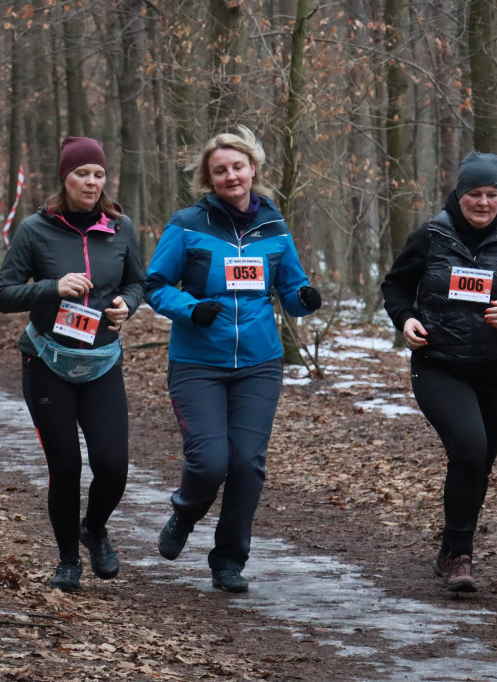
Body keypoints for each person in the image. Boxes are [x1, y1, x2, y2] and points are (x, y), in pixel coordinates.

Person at [144, 125, 322, 593]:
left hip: (259, 363)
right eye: (220, 170)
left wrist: (305, 297)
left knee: (247, 463)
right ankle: (185, 512)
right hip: (198, 361)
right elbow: (155, 285)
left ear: (253, 169)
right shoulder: (187, 224)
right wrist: (191, 308)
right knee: (209, 462)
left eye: (237, 167)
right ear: (209, 177)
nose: (230, 176)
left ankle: (228, 560)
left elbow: (291, 288)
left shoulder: (274, 225)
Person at [380, 151, 497, 593]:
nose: (483, 202)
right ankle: (461, 556)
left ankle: (448, 551)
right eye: (474, 194)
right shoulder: (431, 236)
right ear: (459, 195)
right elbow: (396, 286)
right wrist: (405, 319)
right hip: (439, 366)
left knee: (477, 464)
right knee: (469, 448)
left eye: (491, 194)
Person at [0, 136, 145, 593]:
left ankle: (93, 529)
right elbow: (3, 294)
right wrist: (51, 288)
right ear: (66, 177)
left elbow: (141, 282)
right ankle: (66, 561)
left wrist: (128, 305)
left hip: (101, 363)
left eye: (98, 174)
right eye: (83, 174)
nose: (92, 182)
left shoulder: (121, 229)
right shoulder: (35, 230)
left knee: (113, 465)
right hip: (48, 362)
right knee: (66, 467)